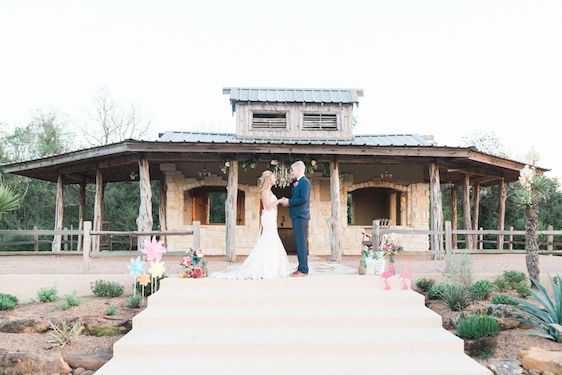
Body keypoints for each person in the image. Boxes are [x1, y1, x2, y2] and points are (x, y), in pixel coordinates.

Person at [212, 170, 291, 279]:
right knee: (269, 239)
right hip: (268, 218)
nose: (275, 179)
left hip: (271, 218)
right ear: (269, 180)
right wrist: (280, 201)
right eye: (273, 178)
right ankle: (265, 267)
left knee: (271, 239)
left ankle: (272, 266)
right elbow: (267, 206)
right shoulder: (265, 191)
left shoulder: (269, 191)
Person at [280, 160, 311, 277]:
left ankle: (303, 270)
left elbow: (304, 199)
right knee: (299, 242)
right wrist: (288, 200)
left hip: (301, 216)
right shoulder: (297, 183)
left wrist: (289, 201)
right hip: (297, 215)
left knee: (301, 243)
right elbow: (296, 197)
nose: (292, 172)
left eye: (293, 170)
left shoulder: (305, 182)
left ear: (299, 169)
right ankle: (301, 267)